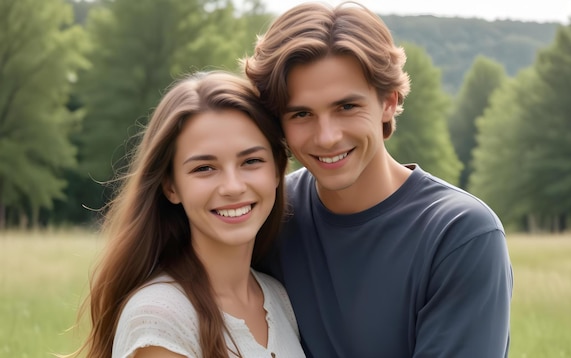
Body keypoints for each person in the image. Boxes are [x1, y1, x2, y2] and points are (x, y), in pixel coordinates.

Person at [243, 1, 513, 357]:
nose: (326, 137)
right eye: (302, 113)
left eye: (346, 107)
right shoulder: (268, 215)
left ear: (388, 101)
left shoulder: (460, 235)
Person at [72, 71, 305, 358]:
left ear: (277, 169)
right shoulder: (161, 316)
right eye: (204, 168)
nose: (232, 187)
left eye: (251, 161)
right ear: (171, 186)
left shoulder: (278, 297)